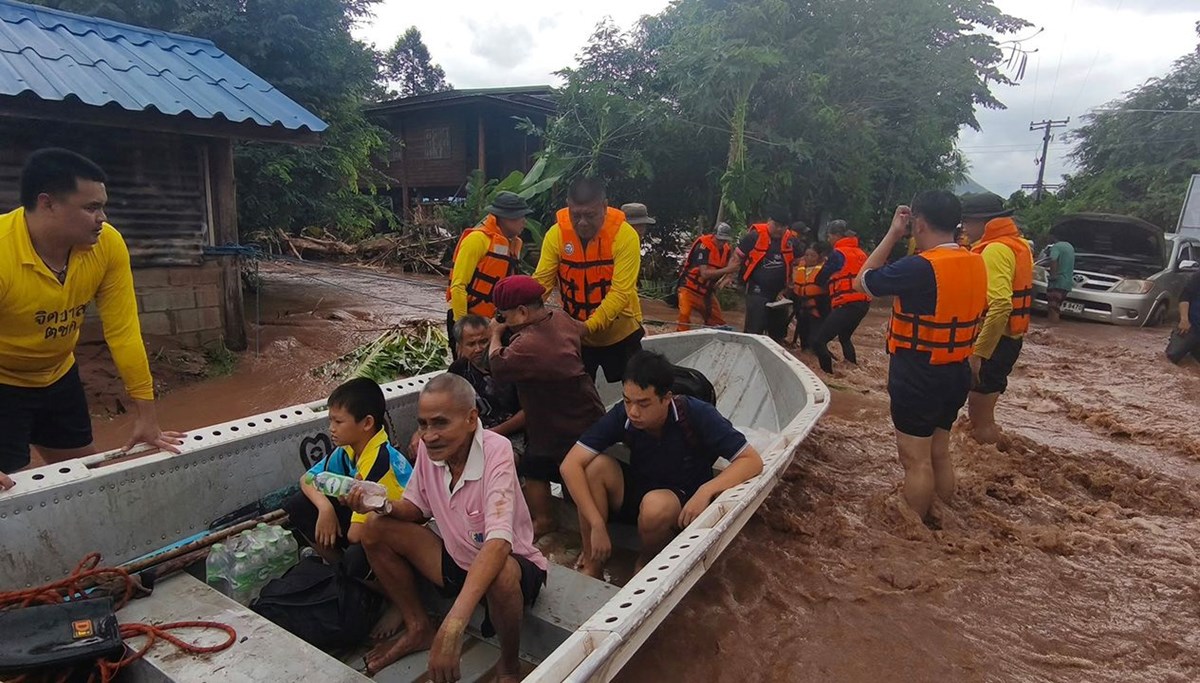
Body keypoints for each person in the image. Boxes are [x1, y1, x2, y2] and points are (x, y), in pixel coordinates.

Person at [0, 148, 183, 491]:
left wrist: (147, 418)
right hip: (3, 383)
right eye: (91, 208)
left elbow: (124, 332)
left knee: (87, 476)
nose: (103, 218)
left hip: (57, 374)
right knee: (12, 492)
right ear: (47, 203)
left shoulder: (107, 245)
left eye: (103, 206)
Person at [347, 373, 547, 681]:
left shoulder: (497, 451)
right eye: (423, 424)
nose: (428, 436)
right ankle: (418, 626)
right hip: (458, 557)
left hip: (510, 564)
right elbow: (416, 508)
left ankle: (509, 664)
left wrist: (453, 625)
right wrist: (380, 502)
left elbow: (498, 543)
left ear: (471, 419)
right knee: (374, 526)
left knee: (502, 574)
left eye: (440, 423)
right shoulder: (430, 452)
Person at [559, 350, 763, 578]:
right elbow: (570, 465)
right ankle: (592, 561)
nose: (633, 412)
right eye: (627, 401)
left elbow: (751, 461)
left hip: (681, 501)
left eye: (643, 404)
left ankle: (648, 558)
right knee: (595, 468)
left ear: (666, 399)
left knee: (654, 506)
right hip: (641, 487)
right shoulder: (623, 415)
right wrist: (597, 524)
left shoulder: (697, 414)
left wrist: (707, 490)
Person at [853, 192, 987, 520]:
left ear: (920, 223)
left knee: (915, 461)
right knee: (939, 453)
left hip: (918, 374)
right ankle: (942, 522)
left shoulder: (919, 268)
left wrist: (893, 233)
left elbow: (862, 282)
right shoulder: (975, 261)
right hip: (956, 371)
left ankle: (913, 533)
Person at [487, 275, 605, 537]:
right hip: (582, 411)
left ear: (522, 312)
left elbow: (497, 365)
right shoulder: (561, 318)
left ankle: (571, 529)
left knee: (570, 477)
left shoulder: (526, 345)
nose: (503, 320)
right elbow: (583, 330)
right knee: (534, 465)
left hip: (561, 422)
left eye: (504, 315)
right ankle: (547, 521)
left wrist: (495, 333)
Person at [283, 378, 408, 565]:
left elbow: (355, 535)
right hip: (366, 517)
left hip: (399, 532)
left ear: (367, 423)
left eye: (338, 422)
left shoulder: (380, 462)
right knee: (298, 504)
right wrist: (325, 509)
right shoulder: (347, 449)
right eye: (330, 420)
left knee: (356, 554)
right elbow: (307, 479)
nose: (331, 429)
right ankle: (338, 568)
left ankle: (353, 574)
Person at [534, 178, 643, 383]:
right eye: (576, 215)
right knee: (575, 391)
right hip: (577, 335)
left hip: (620, 333)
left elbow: (621, 292)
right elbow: (542, 282)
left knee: (637, 387)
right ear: (568, 206)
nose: (582, 222)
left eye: (590, 215)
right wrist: (522, 311)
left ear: (604, 206)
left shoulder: (625, 236)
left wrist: (587, 327)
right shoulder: (556, 235)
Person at [960, 193, 1034, 445]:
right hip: (1008, 340)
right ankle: (999, 457)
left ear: (984, 222)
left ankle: (991, 463)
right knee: (981, 415)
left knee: (980, 419)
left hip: (995, 344)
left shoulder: (994, 250)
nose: (964, 228)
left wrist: (978, 353)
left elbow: (1001, 305)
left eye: (967, 221)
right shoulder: (1017, 244)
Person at [445, 192, 530, 355]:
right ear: (505, 218)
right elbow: (458, 286)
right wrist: (462, 328)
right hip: (468, 320)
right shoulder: (477, 240)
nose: (524, 221)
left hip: (495, 322)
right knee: (465, 367)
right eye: (520, 217)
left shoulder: (515, 244)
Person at [708, 206, 798, 336]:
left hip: (780, 292)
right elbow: (737, 257)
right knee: (755, 327)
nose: (779, 229)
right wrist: (728, 276)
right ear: (769, 221)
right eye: (776, 225)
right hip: (757, 289)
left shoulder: (791, 240)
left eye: (783, 226)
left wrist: (791, 285)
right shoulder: (754, 236)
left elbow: (798, 262)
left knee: (778, 331)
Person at [444, 315, 525, 458]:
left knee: (498, 458)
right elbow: (444, 405)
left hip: (513, 436)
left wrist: (492, 433)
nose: (478, 349)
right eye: (471, 344)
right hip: (473, 434)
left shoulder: (509, 366)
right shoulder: (458, 370)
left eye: (483, 342)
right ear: (460, 346)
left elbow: (529, 412)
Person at [811, 220, 871, 374]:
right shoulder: (861, 253)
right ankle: (853, 371)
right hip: (863, 304)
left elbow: (820, 278)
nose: (828, 239)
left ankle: (828, 376)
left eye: (829, 236)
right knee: (844, 337)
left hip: (847, 304)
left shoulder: (838, 254)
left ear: (837, 235)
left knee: (818, 342)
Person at [676, 222, 734, 331]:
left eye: (724, 240)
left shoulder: (727, 250)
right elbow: (704, 273)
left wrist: (727, 278)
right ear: (714, 235)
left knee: (718, 322)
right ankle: (680, 337)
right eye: (719, 240)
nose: (722, 243)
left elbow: (734, 264)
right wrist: (728, 270)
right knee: (684, 315)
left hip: (707, 293)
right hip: (689, 288)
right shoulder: (703, 246)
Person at [790, 242, 830, 349]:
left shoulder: (826, 270)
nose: (809, 258)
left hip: (819, 308)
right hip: (801, 306)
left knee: (815, 339)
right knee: (804, 337)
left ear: (820, 257)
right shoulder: (799, 267)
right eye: (806, 255)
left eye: (813, 255)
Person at [1166, 269, 1200, 364]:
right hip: (1191, 325)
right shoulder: (1198, 276)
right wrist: (1184, 320)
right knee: (1172, 356)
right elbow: (1184, 297)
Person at [1045, 234, 1076, 323]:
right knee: (1056, 307)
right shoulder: (1070, 247)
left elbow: (1053, 260)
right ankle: (1053, 327)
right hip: (1066, 283)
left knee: (1052, 308)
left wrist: (1053, 276)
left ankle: (1051, 328)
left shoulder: (1056, 247)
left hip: (1057, 282)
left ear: (1053, 236)